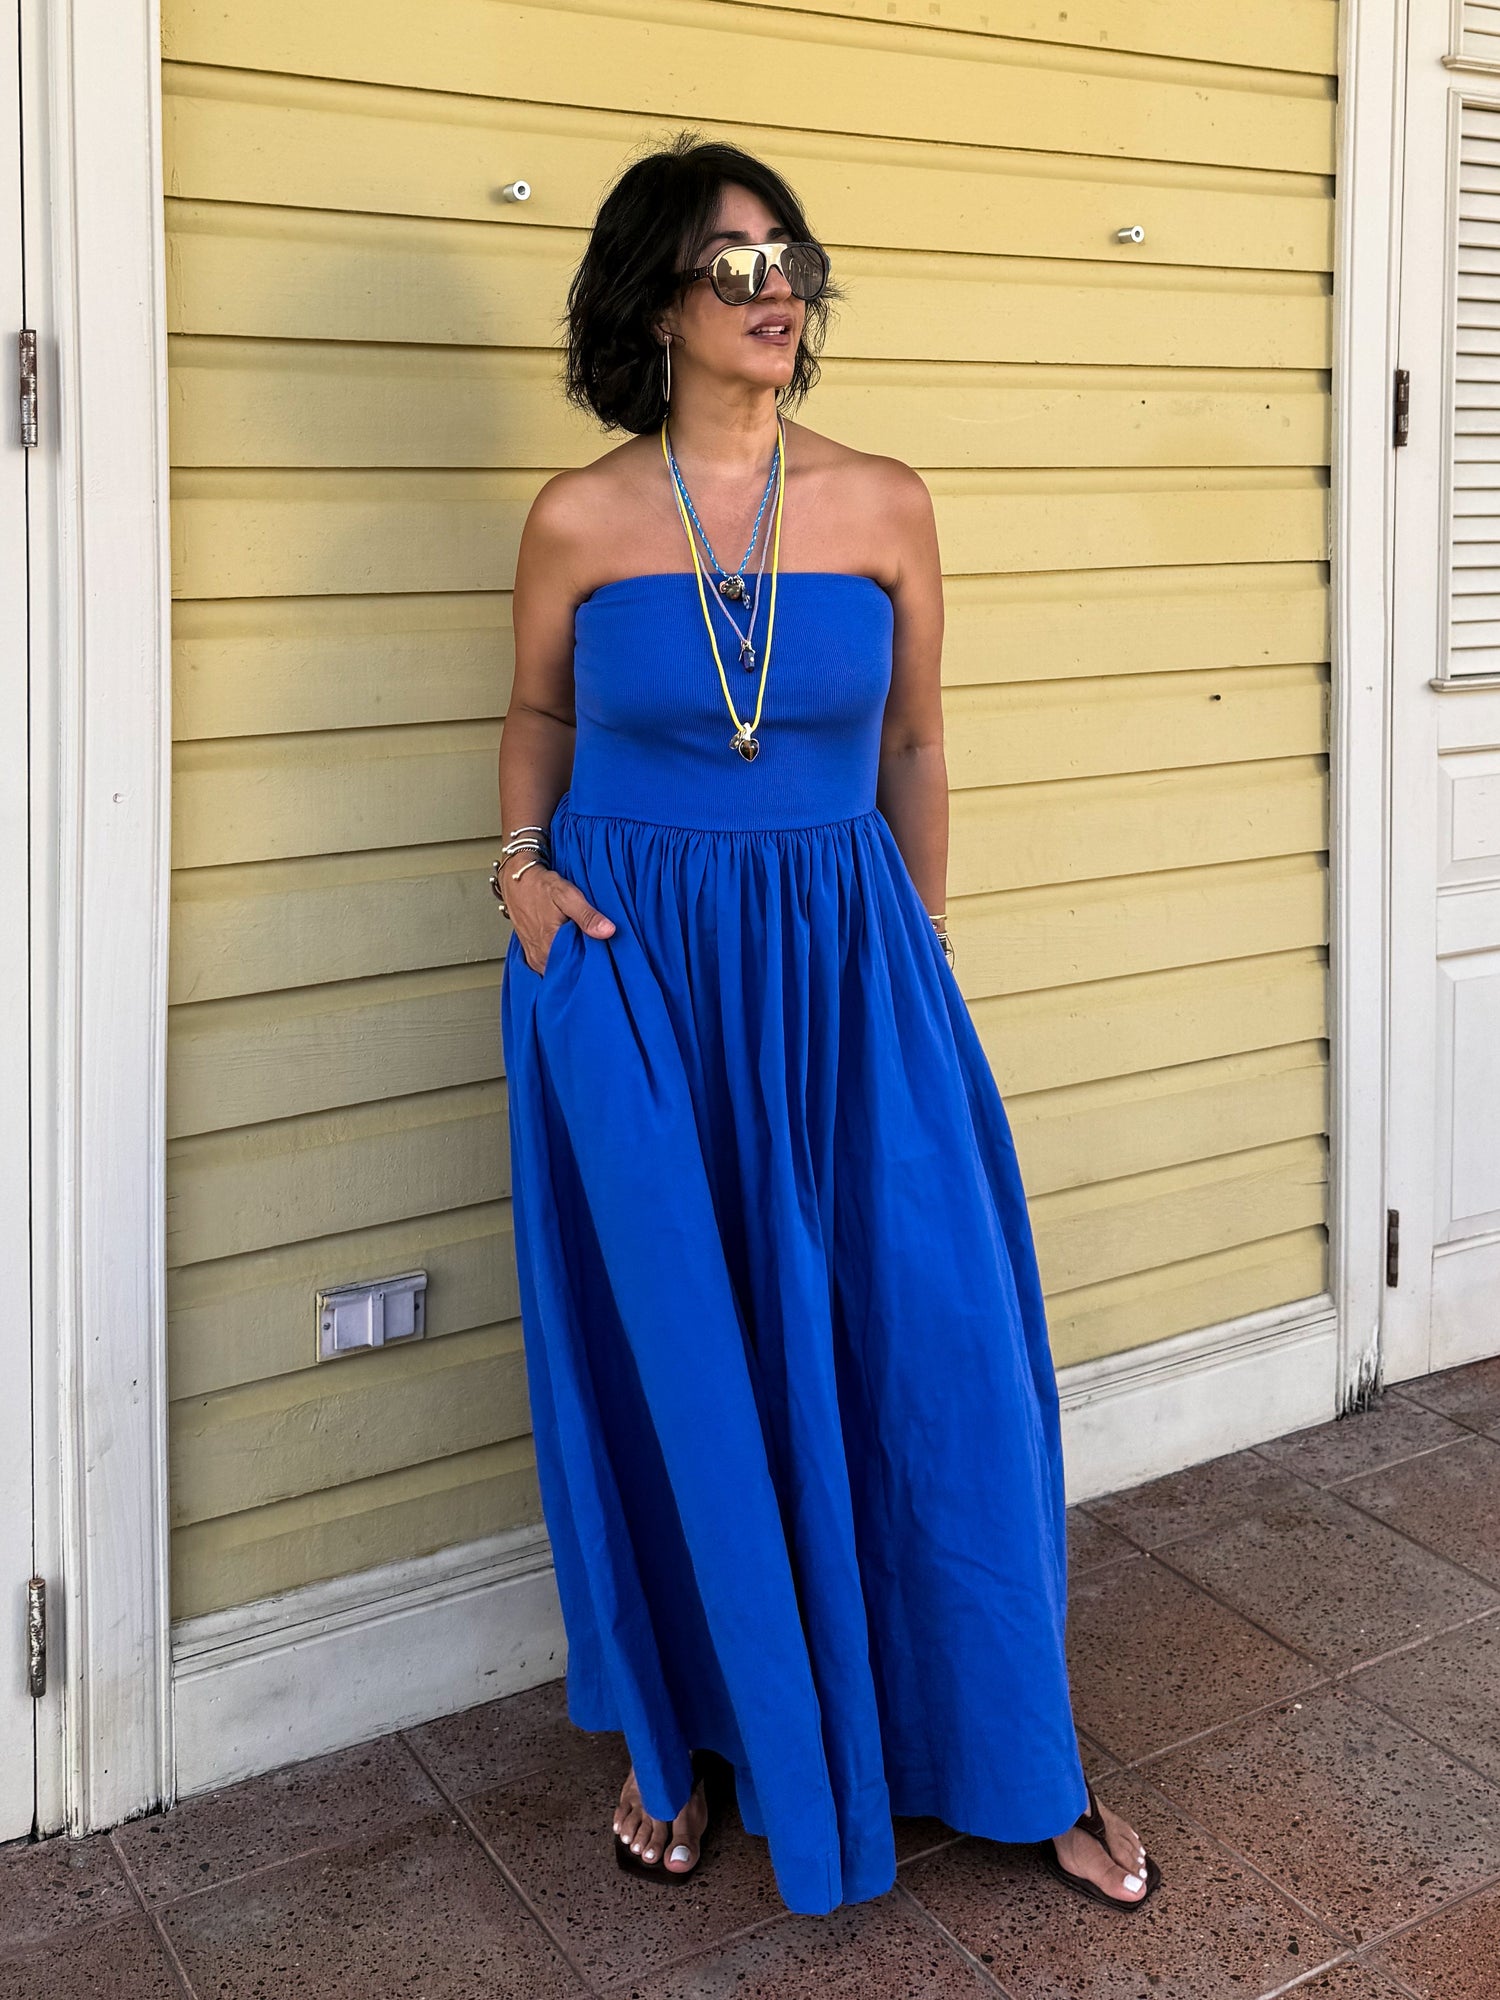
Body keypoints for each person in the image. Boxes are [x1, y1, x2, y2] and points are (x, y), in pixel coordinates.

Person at [496, 132, 1161, 1920]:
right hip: (635, 981)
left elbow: (919, 743)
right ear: (655, 302)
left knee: (934, 1347)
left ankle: (1021, 1756)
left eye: (788, 256)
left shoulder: (881, 503)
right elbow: (538, 718)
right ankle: (686, 1737)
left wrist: (922, 948)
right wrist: (519, 873)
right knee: (674, 1365)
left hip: (851, 966)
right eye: (733, 263)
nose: (774, 286)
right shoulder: (577, 519)